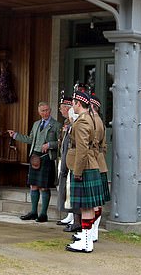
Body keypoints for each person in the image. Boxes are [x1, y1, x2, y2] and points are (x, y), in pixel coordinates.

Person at [8, 101, 61, 223]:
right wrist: (15, 135)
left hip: (46, 157)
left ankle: (43, 214)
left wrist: (49, 144)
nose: (45, 113)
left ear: (50, 110)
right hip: (35, 157)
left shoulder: (56, 125)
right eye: (43, 111)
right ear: (39, 112)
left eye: (47, 110)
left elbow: (60, 143)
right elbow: (30, 139)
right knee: (33, 185)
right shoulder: (36, 124)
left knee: (44, 187)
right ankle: (33, 212)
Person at [65, 90, 105, 253]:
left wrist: (78, 171)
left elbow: (82, 149)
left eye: (73, 103)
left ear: (78, 104)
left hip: (84, 167)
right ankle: (86, 240)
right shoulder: (91, 119)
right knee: (87, 206)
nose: (72, 106)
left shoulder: (82, 122)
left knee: (86, 207)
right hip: (90, 164)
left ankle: (86, 243)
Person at [56, 91, 81, 232]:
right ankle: (70, 214)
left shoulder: (75, 122)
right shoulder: (67, 122)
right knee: (65, 188)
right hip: (65, 158)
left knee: (70, 189)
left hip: (72, 161)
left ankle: (73, 215)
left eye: (62, 108)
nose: (61, 111)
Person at [90, 94, 109, 242]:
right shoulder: (97, 120)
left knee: (94, 202)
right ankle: (92, 231)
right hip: (98, 163)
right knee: (96, 201)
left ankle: (93, 232)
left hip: (95, 163)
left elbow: (93, 144)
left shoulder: (95, 121)